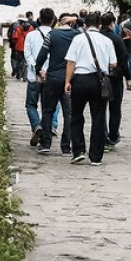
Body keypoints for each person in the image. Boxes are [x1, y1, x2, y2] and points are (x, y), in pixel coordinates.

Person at [64, 10, 117, 165]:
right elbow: (113, 63)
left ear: (85, 25)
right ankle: (96, 156)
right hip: (98, 80)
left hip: (80, 79)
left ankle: (78, 150)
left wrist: (67, 81)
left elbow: (71, 62)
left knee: (76, 115)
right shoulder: (107, 41)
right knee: (99, 117)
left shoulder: (78, 39)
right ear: (99, 25)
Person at [36, 12, 78, 156]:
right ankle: (66, 146)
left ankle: (46, 143)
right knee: (69, 113)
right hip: (70, 79)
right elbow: (89, 25)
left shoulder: (52, 35)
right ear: (71, 22)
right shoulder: (76, 35)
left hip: (53, 77)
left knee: (48, 110)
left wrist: (38, 69)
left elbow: (42, 55)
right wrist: (76, 19)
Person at [24, 8, 57, 146]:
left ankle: (36, 126)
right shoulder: (56, 35)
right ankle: (46, 133)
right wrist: (46, 70)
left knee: (31, 104)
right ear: (53, 20)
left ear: (39, 19)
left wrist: (35, 68)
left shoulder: (31, 35)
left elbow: (27, 54)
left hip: (34, 76)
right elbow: (56, 56)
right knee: (47, 107)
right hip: (50, 76)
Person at [100, 11, 128, 149]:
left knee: (100, 108)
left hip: (99, 77)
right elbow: (123, 60)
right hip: (115, 78)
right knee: (115, 108)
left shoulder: (97, 38)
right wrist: (128, 77)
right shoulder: (117, 39)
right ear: (112, 23)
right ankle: (113, 135)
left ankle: (103, 136)